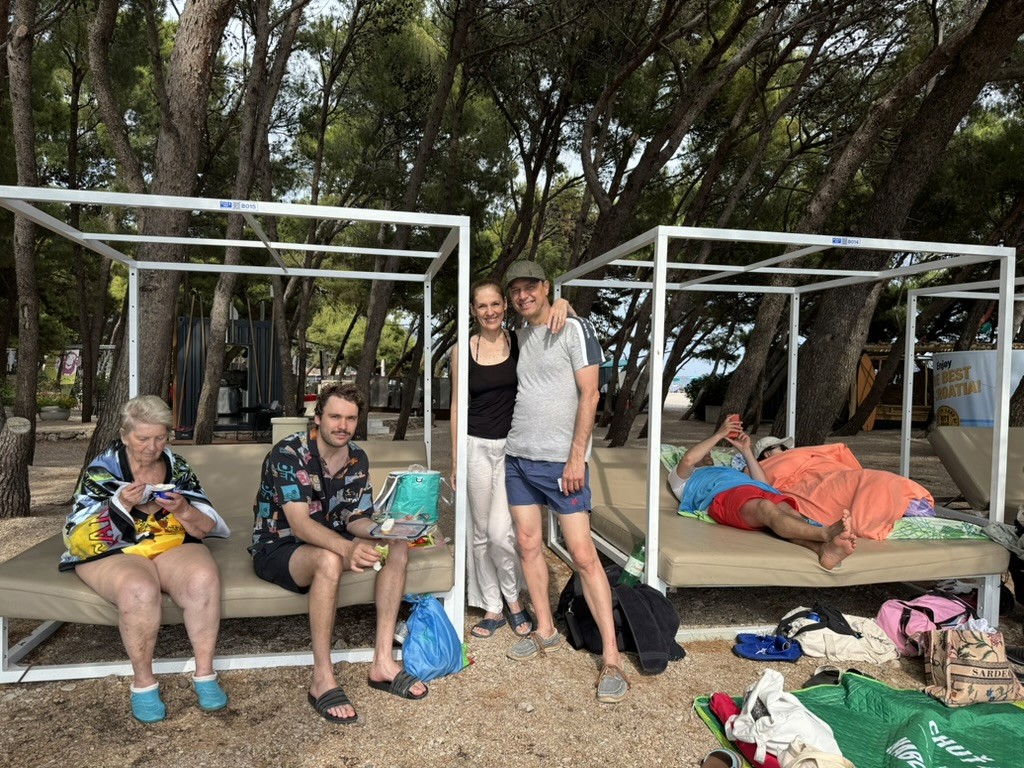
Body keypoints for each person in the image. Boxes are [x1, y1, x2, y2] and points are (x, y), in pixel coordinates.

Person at [249, 383, 426, 724]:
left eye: (350, 419)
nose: (342, 426)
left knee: (397, 546)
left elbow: (354, 518)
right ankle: (322, 678)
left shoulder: (357, 458)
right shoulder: (288, 454)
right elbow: (300, 524)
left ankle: (383, 662)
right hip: (279, 546)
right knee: (328, 559)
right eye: (334, 417)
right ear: (318, 418)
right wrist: (348, 548)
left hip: (332, 539)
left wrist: (390, 531)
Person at [501, 259, 629, 704]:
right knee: (528, 545)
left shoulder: (574, 329)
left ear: (546, 286)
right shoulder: (520, 336)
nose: (523, 296)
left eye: (530, 287)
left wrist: (577, 458)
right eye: (515, 290)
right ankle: (546, 628)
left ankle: (611, 657)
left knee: (583, 555)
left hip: (562, 465)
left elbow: (591, 394)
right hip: (518, 458)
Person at [60, 395, 231, 723]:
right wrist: (120, 505)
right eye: (142, 438)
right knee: (138, 589)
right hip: (116, 549)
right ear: (124, 435)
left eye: (160, 437)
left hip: (168, 541)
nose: (152, 447)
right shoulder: (102, 470)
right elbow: (78, 534)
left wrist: (182, 508)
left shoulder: (177, 466)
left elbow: (205, 526)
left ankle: (205, 674)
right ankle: (143, 684)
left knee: (202, 579)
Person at [449, 278, 571, 639]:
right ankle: (492, 606)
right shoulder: (462, 349)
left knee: (501, 533)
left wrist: (564, 303)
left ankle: (514, 599)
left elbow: (553, 321)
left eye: (495, 304)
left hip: (512, 448)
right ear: (473, 311)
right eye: (481, 306)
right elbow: (456, 406)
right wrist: (455, 459)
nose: (489, 312)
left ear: (505, 306)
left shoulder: (521, 341)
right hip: (474, 446)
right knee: (479, 533)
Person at [669, 414, 856, 570]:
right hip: (725, 495)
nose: (708, 454)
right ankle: (825, 533)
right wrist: (720, 434)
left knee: (790, 514)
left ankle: (822, 550)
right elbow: (688, 459)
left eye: (709, 452)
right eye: (703, 452)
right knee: (765, 508)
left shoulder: (727, 470)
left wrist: (746, 451)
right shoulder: (682, 477)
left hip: (757, 489)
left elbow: (764, 484)